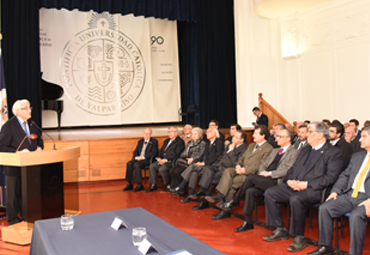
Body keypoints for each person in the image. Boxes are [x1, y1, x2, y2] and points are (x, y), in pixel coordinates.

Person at [263, 122, 343, 253]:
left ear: (320, 135)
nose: (307, 134)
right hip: (295, 184)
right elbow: (293, 168)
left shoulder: (333, 153)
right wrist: (289, 181)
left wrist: (305, 184)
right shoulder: (306, 149)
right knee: (270, 193)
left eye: (310, 132)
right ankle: (280, 228)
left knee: (296, 199)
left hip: (315, 189)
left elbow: (330, 178)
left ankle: (299, 236)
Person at [220, 128, 299, 232]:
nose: (277, 138)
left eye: (280, 136)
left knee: (250, 178)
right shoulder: (276, 150)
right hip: (264, 178)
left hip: (277, 181)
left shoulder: (294, 152)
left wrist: (269, 173)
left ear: (288, 138)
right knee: (250, 191)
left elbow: (287, 170)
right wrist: (262, 172)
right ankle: (248, 222)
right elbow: (264, 164)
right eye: (277, 136)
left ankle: (235, 201)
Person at [308, 125, 370, 255]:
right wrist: (335, 191)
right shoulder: (358, 155)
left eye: (364, 136)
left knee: (356, 216)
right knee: (325, 208)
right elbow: (345, 175)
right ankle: (326, 247)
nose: (360, 139)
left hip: (367, 198)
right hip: (350, 194)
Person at [205, 125, 273, 220]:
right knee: (228, 171)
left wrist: (244, 170)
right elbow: (242, 158)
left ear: (263, 136)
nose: (253, 135)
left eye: (256, 133)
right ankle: (220, 196)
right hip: (240, 168)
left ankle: (225, 210)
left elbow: (261, 165)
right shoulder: (252, 145)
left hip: (251, 174)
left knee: (233, 182)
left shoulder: (269, 149)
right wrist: (238, 165)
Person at [0, 99, 44, 225]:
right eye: (26, 108)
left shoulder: (32, 124)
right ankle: (13, 221)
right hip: (14, 167)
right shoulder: (9, 126)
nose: (30, 110)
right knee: (13, 196)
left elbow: (39, 139)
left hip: (29, 167)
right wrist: (16, 153)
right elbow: (2, 146)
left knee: (27, 195)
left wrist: (39, 147)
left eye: (30, 107)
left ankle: (27, 218)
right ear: (18, 111)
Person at [191, 130, 248, 210]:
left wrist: (231, 151)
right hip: (219, 165)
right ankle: (202, 191)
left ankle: (204, 198)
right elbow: (222, 156)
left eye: (236, 137)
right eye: (233, 136)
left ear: (241, 140)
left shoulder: (244, 149)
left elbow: (236, 162)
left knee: (211, 178)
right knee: (208, 169)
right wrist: (216, 164)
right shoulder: (230, 145)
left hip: (227, 168)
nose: (233, 138)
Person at [173, 128, 223, 201]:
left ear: (214, 133)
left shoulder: (219, 143)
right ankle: (191, 194)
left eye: (208, 132)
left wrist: (204, 163)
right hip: (203, 165)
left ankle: (181, 185)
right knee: (193, 172)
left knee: (193, 166)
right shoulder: (208, 143)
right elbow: (202, 155)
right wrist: (199, 161)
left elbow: (217, 157)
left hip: (210, 167)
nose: (206, 134)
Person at [145, 126, 185, 192]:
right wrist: (159, 159)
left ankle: (168, 184)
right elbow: (161, 151)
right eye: (169, 132)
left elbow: (177, 154)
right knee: (152, 166)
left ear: (176, 132)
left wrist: (165, 160)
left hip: (171, 161)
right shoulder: (166, 141)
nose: (170, 133)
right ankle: (153, 184)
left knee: (162, 169)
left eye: (171, 132)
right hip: (162, 160)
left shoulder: (180, 142)